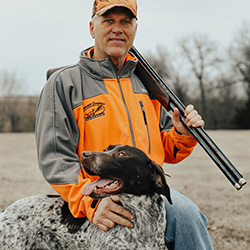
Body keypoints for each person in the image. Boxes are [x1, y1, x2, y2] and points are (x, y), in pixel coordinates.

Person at [35, 0, 213, 249]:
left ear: (134, 29)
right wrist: (91, 201)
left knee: (188, 216)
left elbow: (163, 150)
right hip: (98, 193)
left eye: (125, 22)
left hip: (144, 193)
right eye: (108, 20)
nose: (117, 29)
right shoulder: (64, 83)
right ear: (91, 27)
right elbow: (55, 158)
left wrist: (182, 134)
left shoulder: (147, 83)